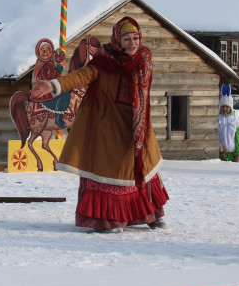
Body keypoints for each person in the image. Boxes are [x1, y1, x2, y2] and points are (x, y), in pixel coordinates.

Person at [29, 17, 168, 233]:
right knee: (111, 173)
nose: (132, 43)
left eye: (135, 38)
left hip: (138, 127)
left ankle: (150, 214)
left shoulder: (144, 60)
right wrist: (54, 85)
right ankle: (109, 220)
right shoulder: (103, 63)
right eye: (126, 39)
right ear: (117, 40)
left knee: (142, 170)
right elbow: (80, 76)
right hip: (109, 127)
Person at [32, 38, 71, 129]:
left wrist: (58, 62)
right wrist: (58, 70)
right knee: (65, 94)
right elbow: (48, 78)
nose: (47, 52)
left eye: (49, 49)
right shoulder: (43, 65)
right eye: (43, 51)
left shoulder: (49, 62)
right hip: (46, 89)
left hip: (51, 85)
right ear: (38, 53)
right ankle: (58, 118)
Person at [218, 90, 238, 161]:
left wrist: (238, 154)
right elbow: (212, 134)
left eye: (227, 107)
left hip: (231, 153)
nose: (224, 109)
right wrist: (216, 144)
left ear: (231, 107)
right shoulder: (216, 119)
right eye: (223, 106)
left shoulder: (235, 120)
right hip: (218, 152)